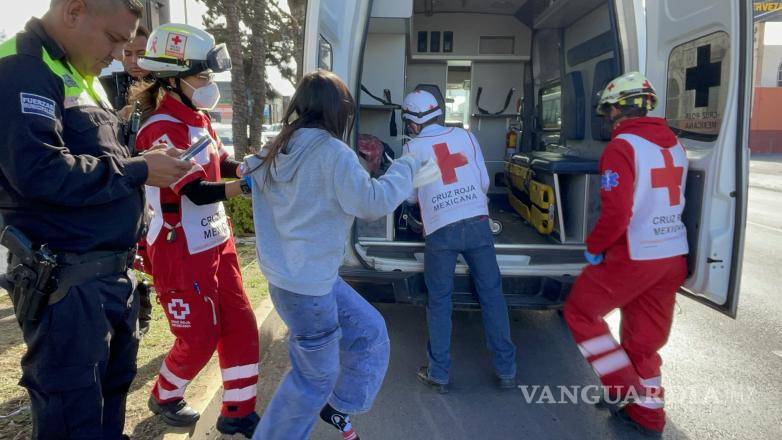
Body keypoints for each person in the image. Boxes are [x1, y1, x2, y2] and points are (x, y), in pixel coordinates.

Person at [0, 0, 192, 437]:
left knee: (108, 408)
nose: (121, 54)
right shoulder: (22, 68)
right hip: (66, 284)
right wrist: (140, 168)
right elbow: (40, 174)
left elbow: (102, 163)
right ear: (74, 11)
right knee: (73, 418)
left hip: (106, 280)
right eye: (114, 39)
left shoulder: (83, 77)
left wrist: (143, 161)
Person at [242, 70, 440, 440]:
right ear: (339, 111)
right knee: (310, 382)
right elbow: (373, 203)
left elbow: (247, 172)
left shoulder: (278, 146)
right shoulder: (332, 152)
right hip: (309, 290)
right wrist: (407, 166)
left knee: (370, 332)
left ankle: (339, 407)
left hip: (298, 282)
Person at [133, 23, 260, 437]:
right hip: (179, 250)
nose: (210, 84)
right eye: (202, 76)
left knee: (241, 322)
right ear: (173, 79)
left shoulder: (198, 119)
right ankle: (165, 394)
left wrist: (246, 167)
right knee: (201, 336)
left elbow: (218, 164)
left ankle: (238, 410)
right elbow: (196, 191)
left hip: (216, 242)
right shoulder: (159, 128)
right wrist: (245, 186)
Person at [562, 72, 689, 437]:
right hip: (672, 255)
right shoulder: (674, 146)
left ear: (621, 108)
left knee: (581, 312)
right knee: (642, 340)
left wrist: (594, 247)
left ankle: (623, 388)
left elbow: (617, 213)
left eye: (608, 112)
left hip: (636, 255)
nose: (606, 120)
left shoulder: (622, 147)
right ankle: (648, 415)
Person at [400, 90, 517, 393]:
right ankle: (506, 371)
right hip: (478, 223)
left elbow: (411, 196)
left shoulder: (412, 148)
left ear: (412, 122)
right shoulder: (466, 136)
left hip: (440, 229)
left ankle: (439, 373)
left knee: (440, 301)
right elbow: (483, 182)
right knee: (492, 295)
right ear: (437, 113)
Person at [100, 24, 152, 113]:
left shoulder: (169, 84)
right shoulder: (104, 86)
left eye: (141, 54)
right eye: (127, 54)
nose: (134, 61)